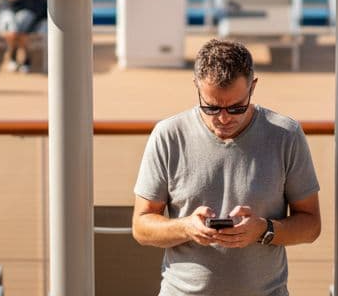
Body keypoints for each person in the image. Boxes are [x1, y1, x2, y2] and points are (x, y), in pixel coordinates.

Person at [133, 38, 321, 296]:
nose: (223, 118)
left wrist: (264, 230)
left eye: (236, 107)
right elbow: (141, 226)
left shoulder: (285, 135)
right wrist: (186, 227)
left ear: (253, 87)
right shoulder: (168, 135)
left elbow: (311, 225)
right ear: (196, 87)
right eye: (211, 107)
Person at [0, 0, 46, 73]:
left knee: (19, 25)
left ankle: (12, 56)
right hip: (11, 10)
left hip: (32, 12)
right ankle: (25, 57)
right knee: (11, 27)